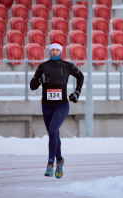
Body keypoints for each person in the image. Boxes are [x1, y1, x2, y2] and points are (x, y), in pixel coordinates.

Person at [30, 41, 84, 178]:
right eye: (52, 50)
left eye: (57, 50)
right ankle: (60, 160)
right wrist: (41, 79)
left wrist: (77, 92)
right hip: (46, 106)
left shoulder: (66, 66)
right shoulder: (43, 66)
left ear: (61, 52)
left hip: (62, 105)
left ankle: (50, 164)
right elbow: (32, 85)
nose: (55, 52)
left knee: (53, 131)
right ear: (49, 51)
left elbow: (80, 76)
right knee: (54, 135)